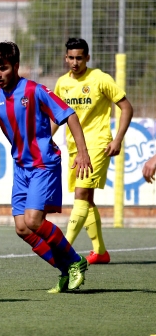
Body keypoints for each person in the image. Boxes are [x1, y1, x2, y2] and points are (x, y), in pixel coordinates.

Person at [0, 41, 92, 293]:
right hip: (21, 168)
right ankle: (66, 269)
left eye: (2, 68)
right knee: (22, 228)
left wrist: (82, 152)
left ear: (15, 66)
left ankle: (76, 260)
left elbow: (69, 115)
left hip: (43, 164)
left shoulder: (35, 90)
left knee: (34, 221)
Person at [53, 38, 133, 265]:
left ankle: (63, 247)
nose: (75, 62)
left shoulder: (100, 79)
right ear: (65, 58)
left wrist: (118, 139)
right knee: (86, 199)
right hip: (74, 147)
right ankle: (100, 251)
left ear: (87, 57)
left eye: (79, 58)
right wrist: (44, 140)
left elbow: (126, 107)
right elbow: (57, 117)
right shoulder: (61, 83)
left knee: (80, 195)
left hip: (97, 145)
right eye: (71, 58)